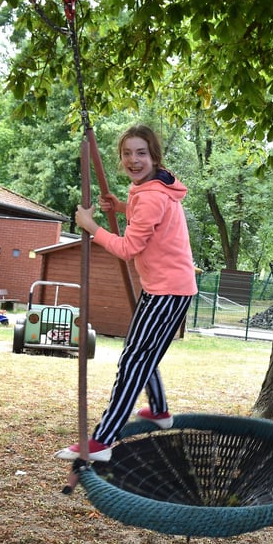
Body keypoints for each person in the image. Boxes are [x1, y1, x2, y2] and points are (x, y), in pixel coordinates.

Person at [56, 124, 197, 462]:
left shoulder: (149, 195)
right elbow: (146, 215)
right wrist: (119, 206)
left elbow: (128, 247)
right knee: (143, 353)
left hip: (166, 292)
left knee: (133, 359)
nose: (134, 160)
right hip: (170, 289)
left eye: (141, 153)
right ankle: (160, 411)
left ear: (154, 157)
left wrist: (93, 227)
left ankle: (103, 440)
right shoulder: (151, 187)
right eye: (127, 154)